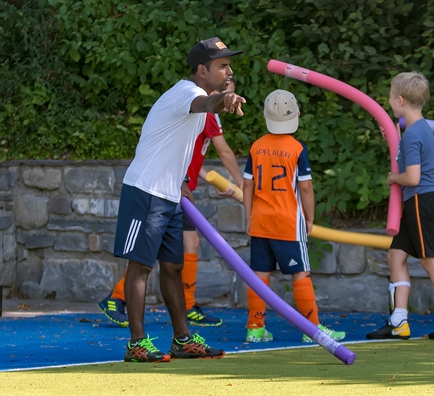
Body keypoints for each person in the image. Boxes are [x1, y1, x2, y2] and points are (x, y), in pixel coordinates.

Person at [112, 37, 245, 362]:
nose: (229, 71)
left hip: (170, 194)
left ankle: (182, 340)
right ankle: (136, 343)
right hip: (145, 191)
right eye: (222, 66)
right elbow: (206, 104)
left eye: (229, 65)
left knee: (173, 267)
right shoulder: (188, 93)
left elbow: (175, 143)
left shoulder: (197, 99)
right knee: (140, 266)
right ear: (202, 70)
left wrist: (183, 179)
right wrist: (223, 99)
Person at [99, 82, 244, 327]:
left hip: (178, 187)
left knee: (181, 249)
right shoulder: (203, 107)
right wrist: (242, 184)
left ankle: (184, 311)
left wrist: (207, 179)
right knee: (150, 253)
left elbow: (190, 155)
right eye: (223, 85)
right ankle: (121, 298)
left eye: (230, 86)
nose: (227, 90)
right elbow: (225, 152)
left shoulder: (203, 111)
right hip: (164, 188)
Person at [367, 72, 434, 341]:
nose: (389, 101)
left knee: (430, 261)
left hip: (419, 201)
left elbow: (412, 177)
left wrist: (393, 177)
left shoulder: (413, 135)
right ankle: (398, 322)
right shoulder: (418, 129)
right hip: (417, 201)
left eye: (391, 97)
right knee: (396, 256)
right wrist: (395, 139)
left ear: (400, 100)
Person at [242, 89, 345, 343]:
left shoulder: (256, 147)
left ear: (265, 117)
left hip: (260, 221)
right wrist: (309, 217)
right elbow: (305, 187)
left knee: (259, 275)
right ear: (296, 114)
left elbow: (247, 184)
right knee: (301, 274)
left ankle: (255, 327)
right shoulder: (297, 148)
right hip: (288, 222)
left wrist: (249, 216)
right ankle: (312, 329)